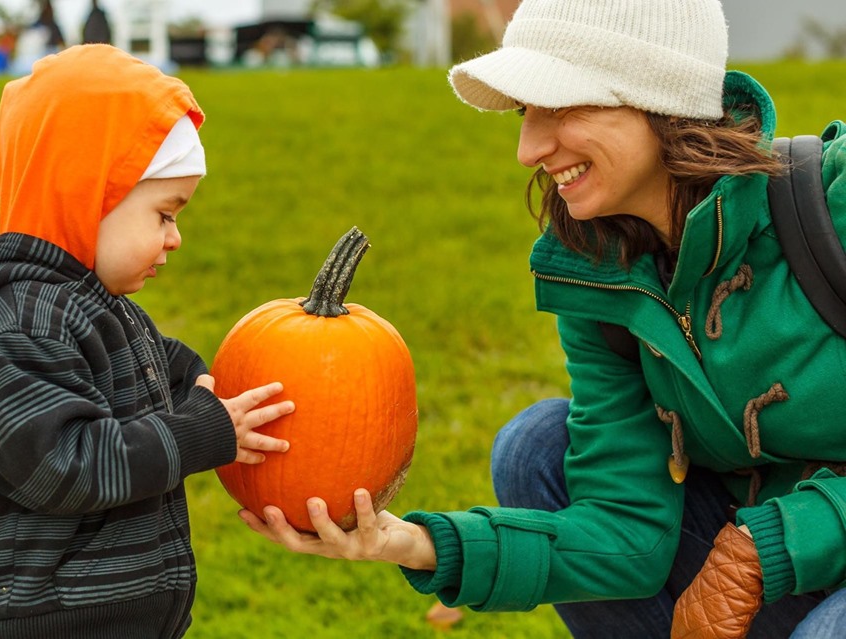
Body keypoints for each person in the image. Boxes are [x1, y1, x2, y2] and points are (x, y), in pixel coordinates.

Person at [239, 1, 846, 637]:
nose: (529, 148)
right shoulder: (597, 271)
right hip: (755, 573)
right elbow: (624, 531)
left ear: (660, 98)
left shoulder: (830, 204)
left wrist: (763, 549)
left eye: (560, 106)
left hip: (792, 565)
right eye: (528, 112)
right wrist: (412, 542)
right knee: (538, 447)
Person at [0, 44, 294, 638]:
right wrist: (201, 432)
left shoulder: (96, 310)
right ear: (90, 193)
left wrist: (212, 385)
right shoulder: (24, 326)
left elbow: (162, 368)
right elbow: (63, 463)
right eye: (164, 214)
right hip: (47, 620)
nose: (175, 238)